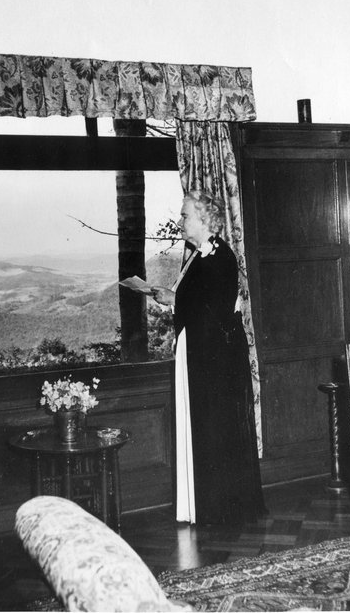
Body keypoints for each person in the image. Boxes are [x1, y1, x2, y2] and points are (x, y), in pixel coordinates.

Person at [151, 190, 266, 525]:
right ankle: (204, 507)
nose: (181, 220)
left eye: (186, 215)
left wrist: (174, 300)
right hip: (198, 352)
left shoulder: (220, 256)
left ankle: (221, 510)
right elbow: (199, 301)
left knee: (216, 430)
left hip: (214, 360)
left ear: (203, 218)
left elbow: (213, 311)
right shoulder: (198, 255)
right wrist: (173, 298)